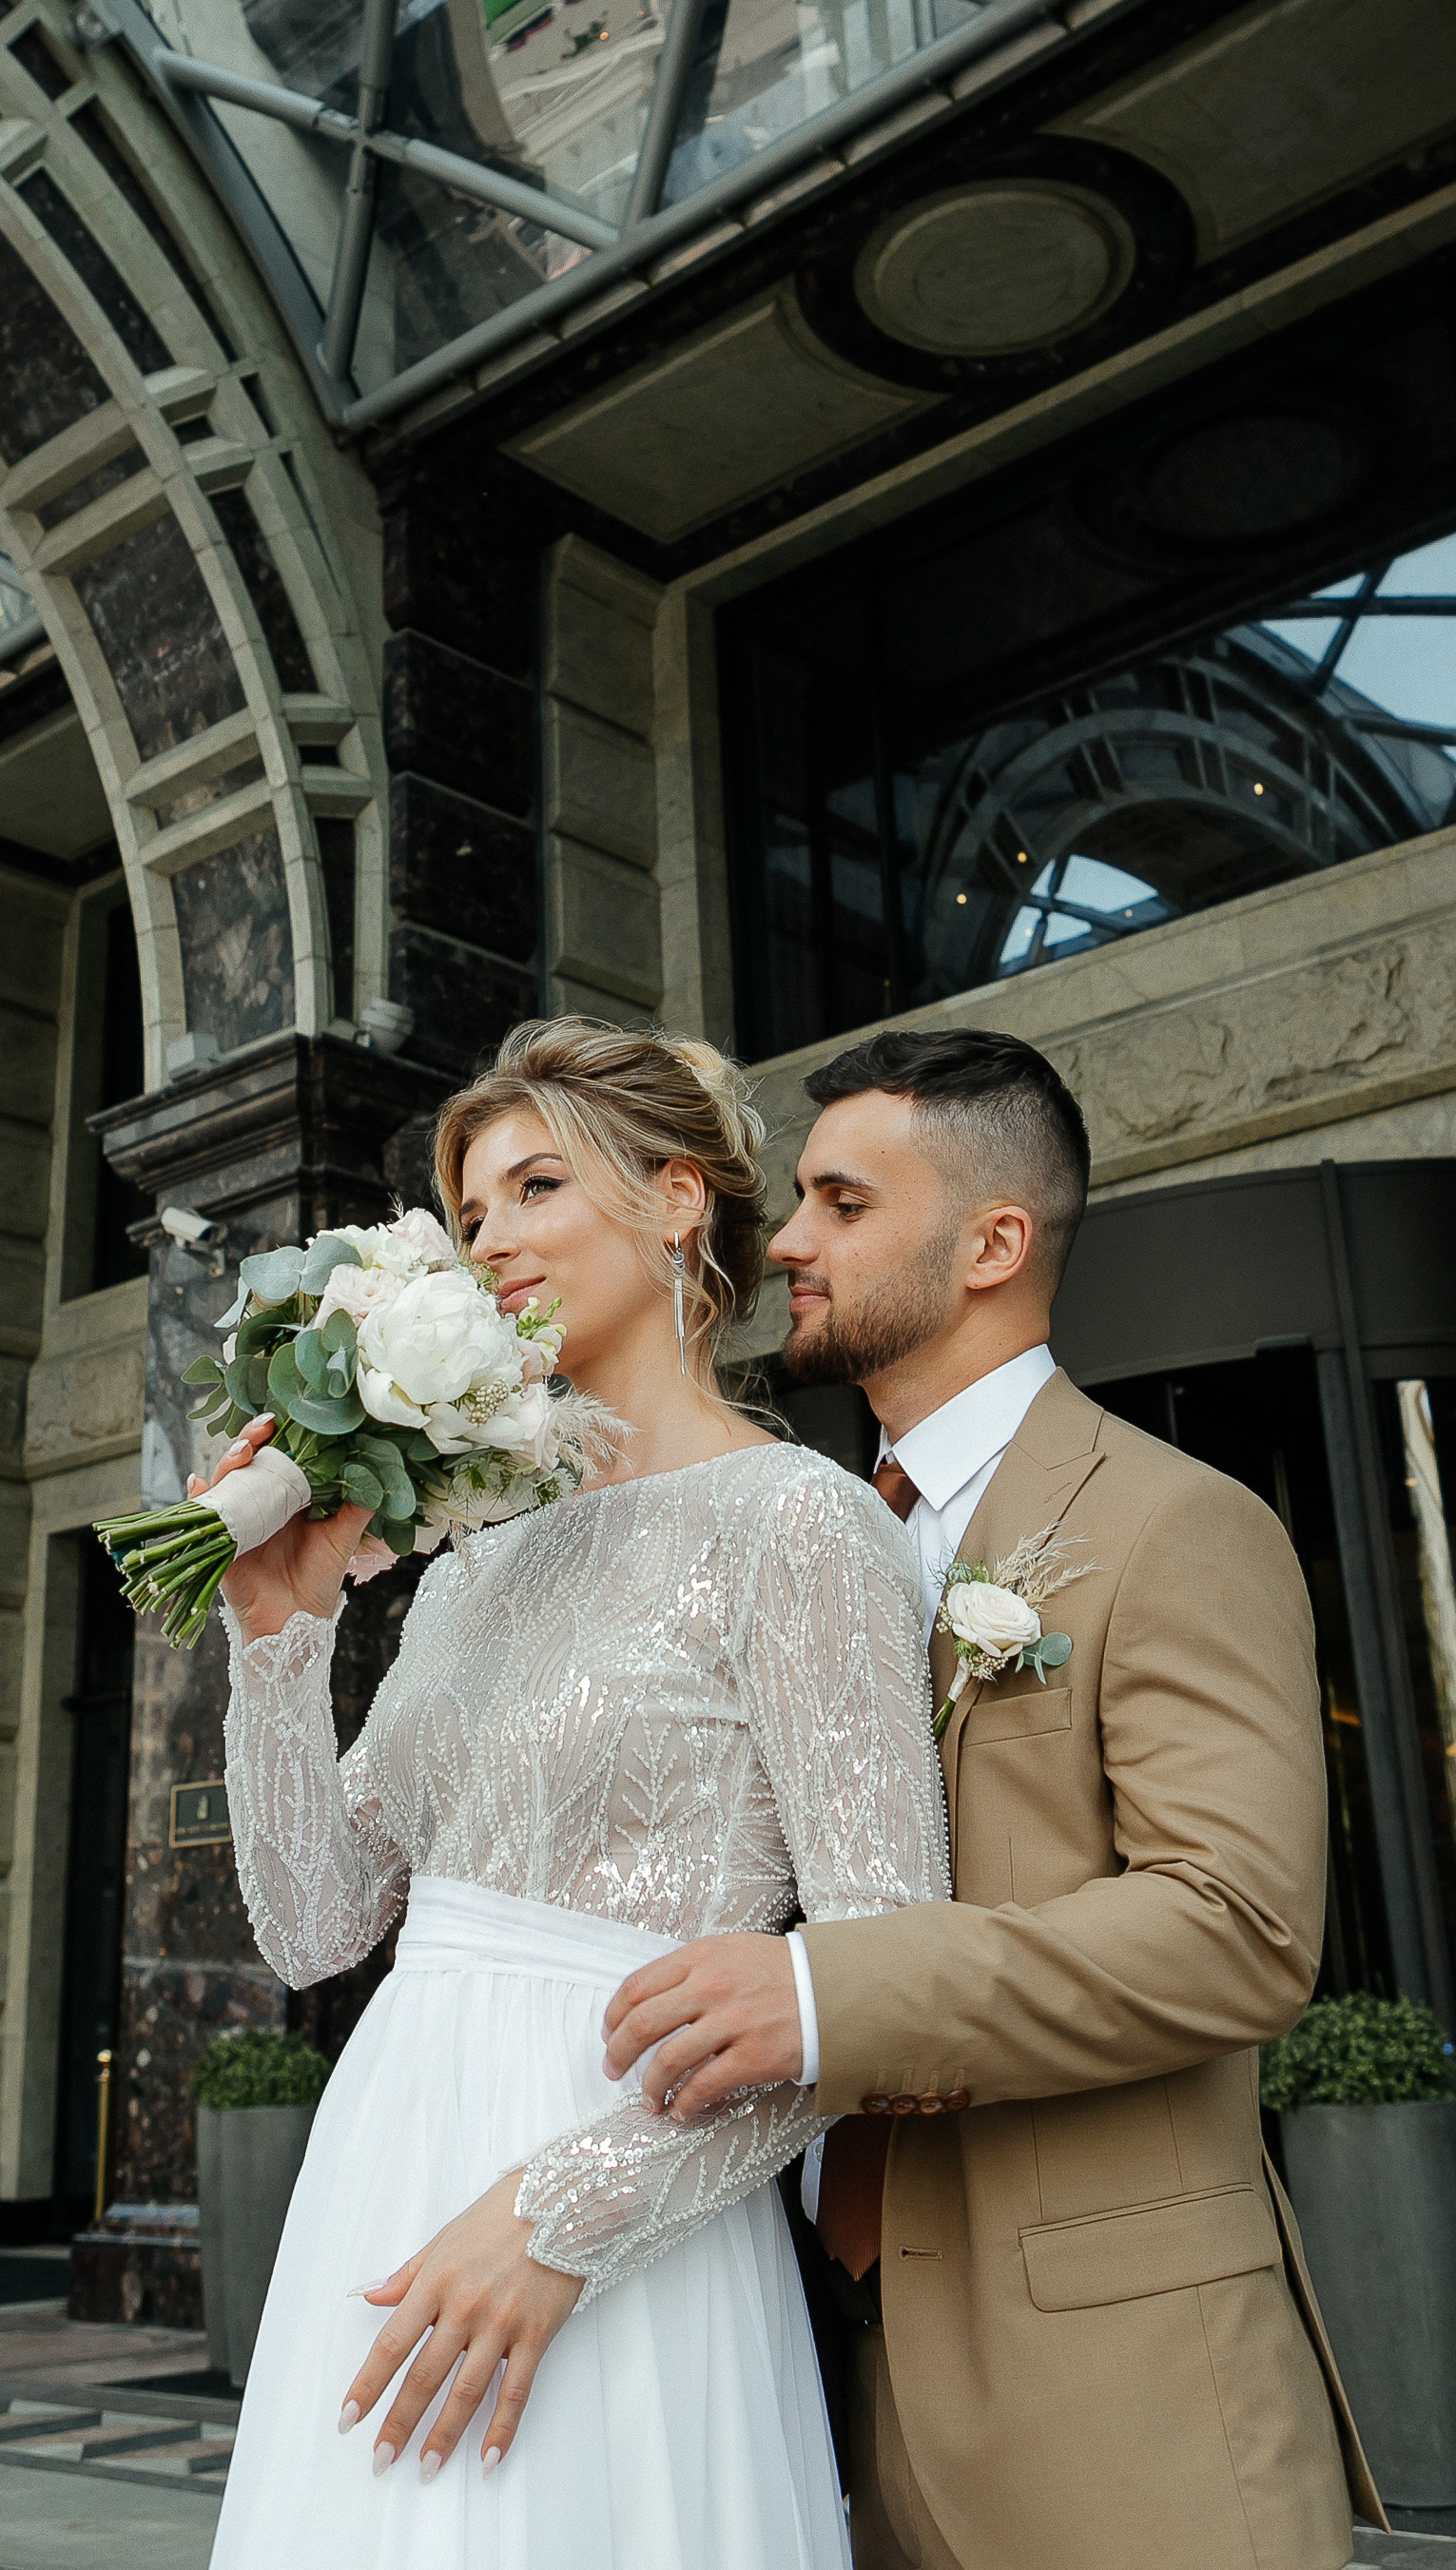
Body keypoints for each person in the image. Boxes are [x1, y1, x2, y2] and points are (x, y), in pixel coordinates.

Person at [598, 1024, 1383, 2570]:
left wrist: (830, 1995)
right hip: (787, 2359)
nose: (790, 1245)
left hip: (1110, 2392)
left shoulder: (1173, 1525)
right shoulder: (786, 1536)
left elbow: (1236, 1930)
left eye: (838, 1203)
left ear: (993, 1243)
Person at [201, 1017, 949, 2570]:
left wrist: (562, 2220)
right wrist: (281, 1641)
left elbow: (877, 1981)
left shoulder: (793, 1523)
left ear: (679, 1203)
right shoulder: (477, 1556)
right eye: (471, 1216)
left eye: (537, 1187)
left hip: (627, 2210)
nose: (494, 1244)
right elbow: (315, 1929)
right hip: (386, 2173)